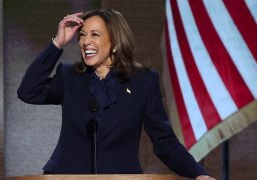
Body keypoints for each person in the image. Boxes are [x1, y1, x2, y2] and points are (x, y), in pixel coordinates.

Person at [17, 9, 215, 180]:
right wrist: (57, 44)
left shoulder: (144, 82)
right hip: (65, 175)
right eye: (82, 35)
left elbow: (164, 140)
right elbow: (28, 92)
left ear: (114, 42)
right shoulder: (69, 76)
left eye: (95, 34)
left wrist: (197, 173)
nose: (85, 42)